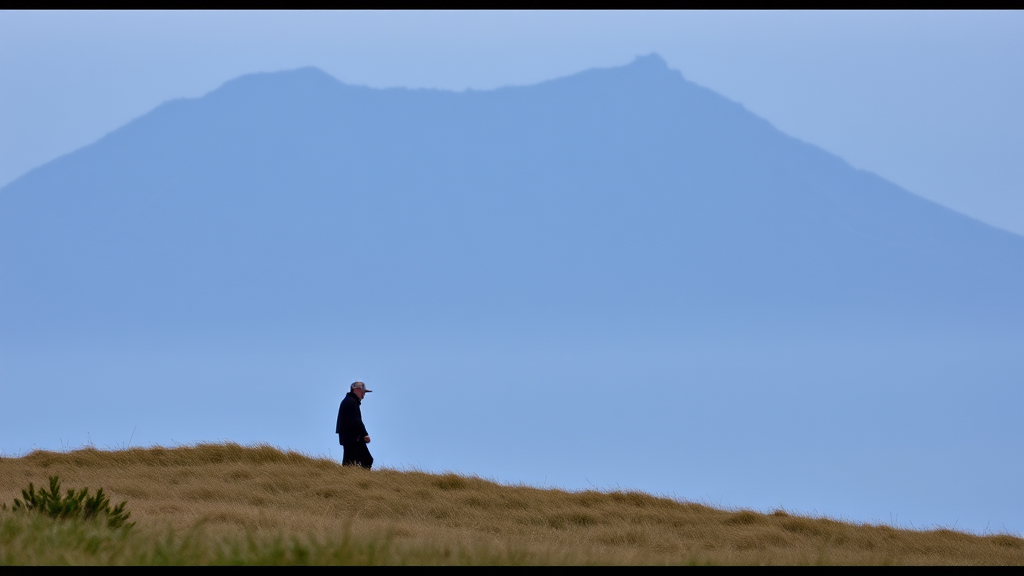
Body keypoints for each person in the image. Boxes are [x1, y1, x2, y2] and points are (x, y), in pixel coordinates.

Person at [336, 381, 373, 469]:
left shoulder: (348, 401)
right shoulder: (351, 402)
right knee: (367, 460)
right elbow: (356, 421)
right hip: (354, 438)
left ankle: (346, 479)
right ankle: (363, 479)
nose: (364, 395)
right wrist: (365, 434)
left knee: (349, 463)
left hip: (347, 438)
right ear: (356, 390)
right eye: (363, 392)